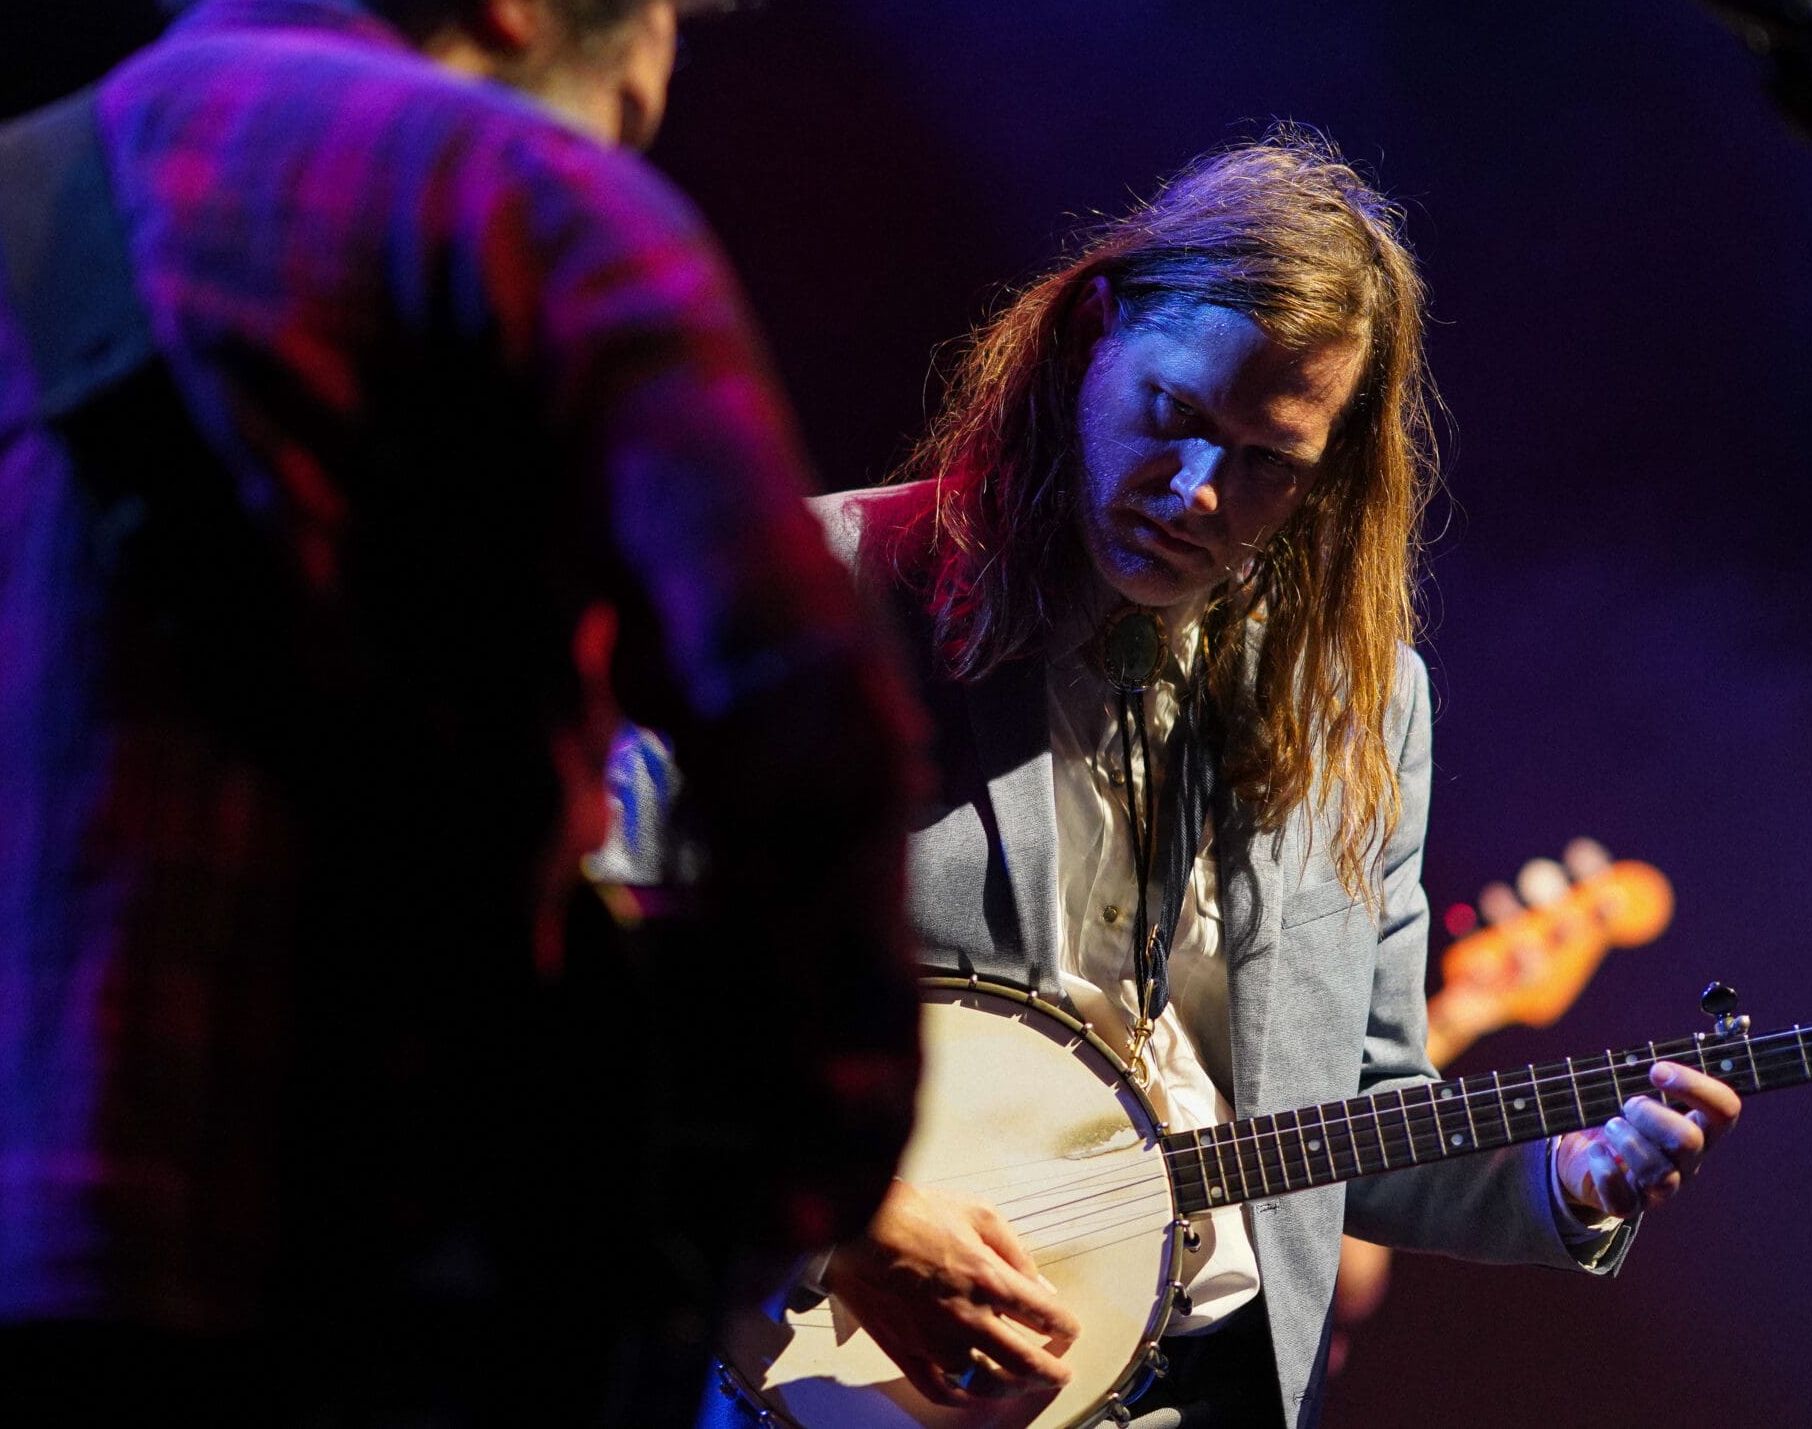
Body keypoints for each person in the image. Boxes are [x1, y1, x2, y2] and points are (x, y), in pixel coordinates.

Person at [0, 0, 923, 1428]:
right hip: (304, 1282)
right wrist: (766, 1195)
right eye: (631, 102)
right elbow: (806, 735)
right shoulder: (513, 194)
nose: (628, 152)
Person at [603, 127, 1741, 1429]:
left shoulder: (1361, 706)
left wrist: (1567, 1184)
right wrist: (835, 1206)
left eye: (1270, 463)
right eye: (1176, 416)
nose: (1201, 492)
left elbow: (1353, 1117)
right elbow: (579, 966)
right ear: (1094, 331)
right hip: (819, 1379)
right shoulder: (813, 594)